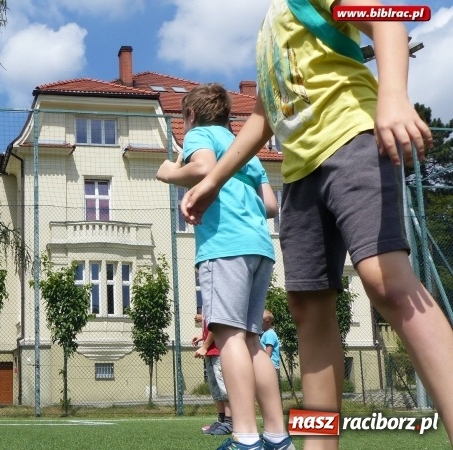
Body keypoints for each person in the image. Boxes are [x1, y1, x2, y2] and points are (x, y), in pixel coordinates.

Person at [181, 1, 453, 448]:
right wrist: (213, 180)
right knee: (308, 310)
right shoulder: (267, 29)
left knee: (384, 281)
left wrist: (393, 96)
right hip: (300, 175)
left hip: (354, 139)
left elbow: (386, 23)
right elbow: (264, 117)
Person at [157, 83, 293, 450]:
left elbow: (202, 167)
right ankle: (278, 438)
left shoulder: (199, 134)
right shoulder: (245, 151)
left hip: (224, 246)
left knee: (230, 335)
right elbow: (270, 205)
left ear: (189, 116)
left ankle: (246, 438)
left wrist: (170, 171)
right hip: (259, 247)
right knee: (252, 341)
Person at [193, 313, 233, 436]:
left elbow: (216, 323)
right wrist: (203, 337)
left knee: (223, 387)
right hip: (211, 351)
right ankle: (221, 420)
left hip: (219, 350)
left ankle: (229, 421)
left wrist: (205, 346)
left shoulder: (214, 295)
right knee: (215, 388)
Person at [260, 309, 281, 383]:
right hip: (269, 366)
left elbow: (268, 353)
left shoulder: (269, 334)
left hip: (270, 367)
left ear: (267, 321)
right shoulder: (265, 333)